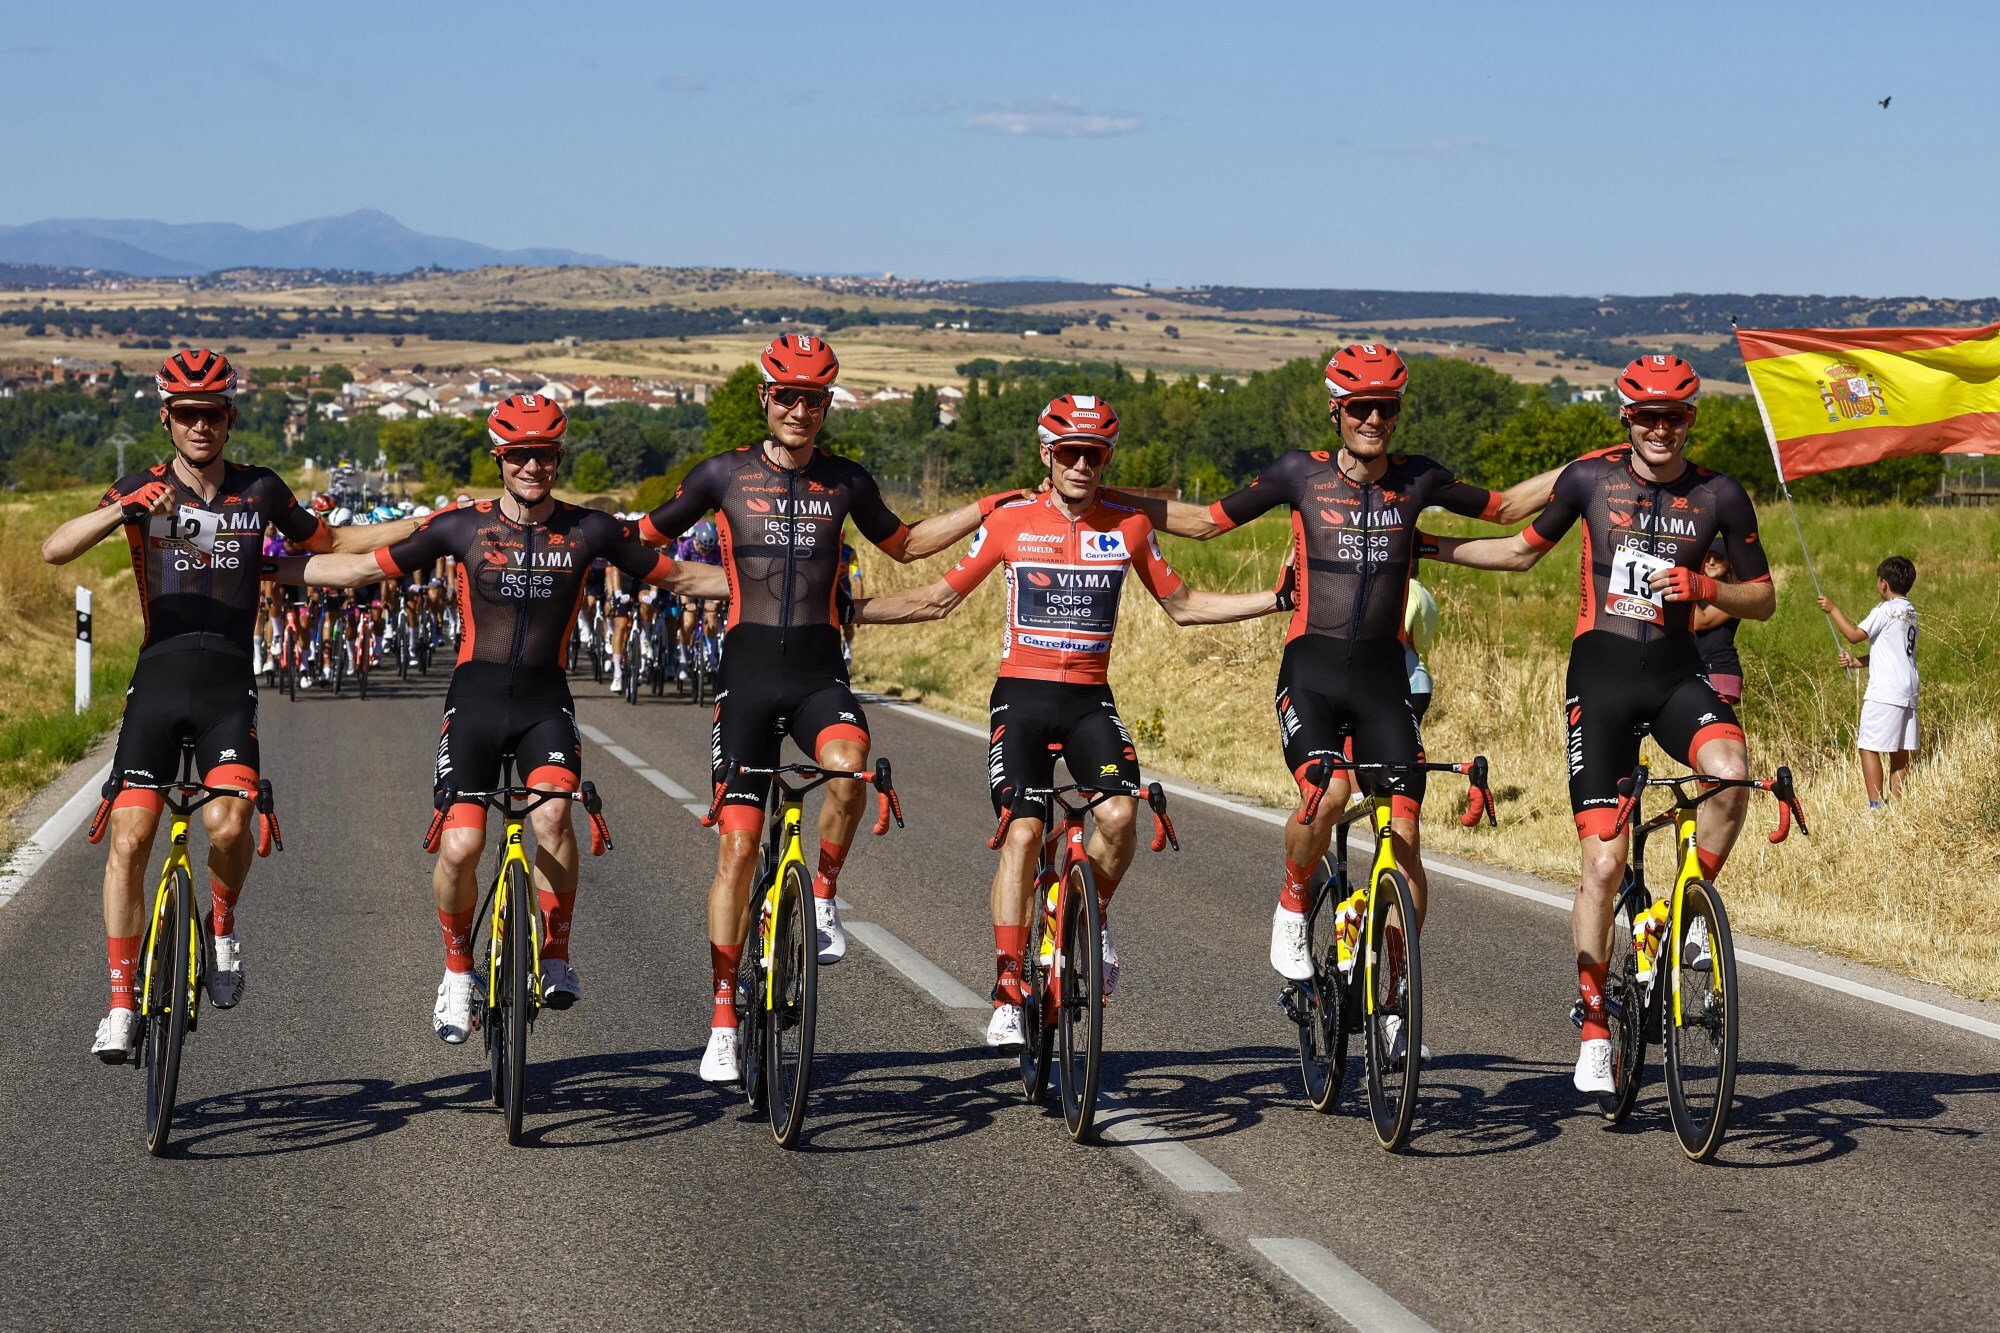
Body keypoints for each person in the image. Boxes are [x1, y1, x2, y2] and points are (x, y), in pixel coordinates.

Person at [1103, 344, 1559, 1067]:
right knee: (1329, 791)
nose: (1374, 419)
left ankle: (1395, 994)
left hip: (1383, 681)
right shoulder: (1299, 473)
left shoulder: (1420, 479)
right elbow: (1205, 522)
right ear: (1336, 411)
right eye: (1360, 408)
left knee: (1405, 841)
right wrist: (1104, 490)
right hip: (1311, 669)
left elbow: (1505, 509)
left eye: (1386, 408)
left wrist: (1595, 463)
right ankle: (1292, 901)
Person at [284, 394, 727, 1042]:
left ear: (556, 458)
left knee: (552, 814)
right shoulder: (461, 527)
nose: (532, 466)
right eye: (519, 455)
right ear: (501, 458)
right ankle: (457, 970)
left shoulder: (590, 530)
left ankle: (556, 953)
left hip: (546, 699)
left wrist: (768, 588)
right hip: (475, 697)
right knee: (461, 844)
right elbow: (361, 568)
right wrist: (264, 569)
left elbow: (679, 578)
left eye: (544, 455)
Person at [855, 394, 1283, 1050]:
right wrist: (851, 610)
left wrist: (1277, 598)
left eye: (1095, 454)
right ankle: (1005, 986)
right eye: (1070, 453)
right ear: (1046, 455)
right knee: (1024, 832)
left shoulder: (1130, 525)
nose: (1082, 464)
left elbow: (1187, 605)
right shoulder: (1011, 522)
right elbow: (940, 598)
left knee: (1117, 815)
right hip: (1019, 701)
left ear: (1106, 459)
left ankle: (1092, 916)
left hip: (1089, 702)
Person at [636, 333, 1003, 1085]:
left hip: (817, 675)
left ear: (827, 406)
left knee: (848, 770)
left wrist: (986, 508)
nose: (800, 411)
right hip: (745, 677)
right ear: (767, 399)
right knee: (738, 847)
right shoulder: (723, 474)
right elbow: (639, 537)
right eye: (788, 397)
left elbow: (906, 543)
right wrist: (689, 578)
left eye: (814, 400)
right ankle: (722, 1017)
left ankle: (824, 891)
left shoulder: (846, 481)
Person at [39, 350, 414, 1062]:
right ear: (168, 420)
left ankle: (223, 923)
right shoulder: (142, 488)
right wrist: (123, 510)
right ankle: (120, 1002)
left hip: (226, 685)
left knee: (230, 820)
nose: (200, 425)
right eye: (187, 414)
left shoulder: (260, 491)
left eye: (212, 414)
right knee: (129, 837)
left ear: (231, 419)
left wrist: (424, 530)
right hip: (158, 678)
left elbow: (329, 547)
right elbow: (57, 549)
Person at [1424, 354, 1776, 1096]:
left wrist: (1707, 585)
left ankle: (1684, 914)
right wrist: (1430, 549)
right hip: (1602, 678)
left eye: (1673, 416)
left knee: (1732, 773)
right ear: (1626, 417)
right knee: (1604, 864)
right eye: (1646, 416)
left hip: (1678, 675)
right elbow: (1520, 553)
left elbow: (1765, 597)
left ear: (1691, 420)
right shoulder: (1591, 479)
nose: (1660, 429)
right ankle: (1591, 1021)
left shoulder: (1720, 494)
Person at [1819, 556, 1919, 809]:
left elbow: (1854, 635)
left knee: (1868, 745)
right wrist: (1856, 663)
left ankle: (1876, 805)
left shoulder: (1885, 610)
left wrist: (1833, 609)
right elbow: (1890, 650)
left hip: (1885, 691)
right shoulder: (1910, 612)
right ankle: (1900, 804)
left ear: (1883, 584)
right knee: (1899, 748)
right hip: (1908, 689)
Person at [1691, 540, 1743, 705]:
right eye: (1708, 557)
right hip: (1695, 669)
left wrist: (1683, 589)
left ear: (1729, 562)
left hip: (1720, 670)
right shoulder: (1700, 592)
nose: (1711, 562)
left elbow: (1701, 621)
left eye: (1718, 558)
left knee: (1714, 726)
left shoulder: (1735, 594)